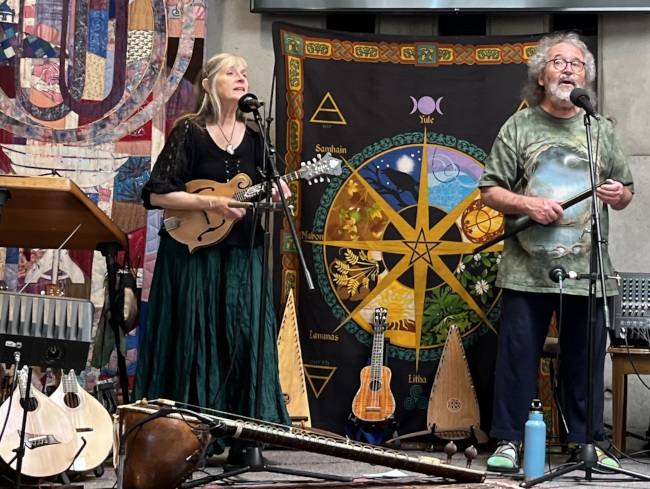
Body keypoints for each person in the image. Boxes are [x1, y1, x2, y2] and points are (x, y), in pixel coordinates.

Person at [478, 32, 634, 473]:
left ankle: (586, 443)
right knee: (517, 360)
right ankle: (509, 441)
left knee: (585, 363)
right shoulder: (519, 126)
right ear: (541, 76)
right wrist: (528, 205)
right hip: (527, 270)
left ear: (585, 77)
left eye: (576, 64)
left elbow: (625, 193)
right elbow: (489, 191)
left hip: (588, 272)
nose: (568, 70)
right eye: (558, 62)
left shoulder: (599, 129)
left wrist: (618, 194)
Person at [134, 53, 292, 466]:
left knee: (245, 337)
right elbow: (157, 195)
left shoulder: (256, 137)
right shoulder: (189, 131)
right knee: (194, 338)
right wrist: (212, 203)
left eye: (245, 72)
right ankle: (186, 438)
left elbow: (271, 186)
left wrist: (279, 191)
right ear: (207, 84)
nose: (241, 77)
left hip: (242, 254)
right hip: (193, 255)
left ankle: (245, 438)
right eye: (230, 72)